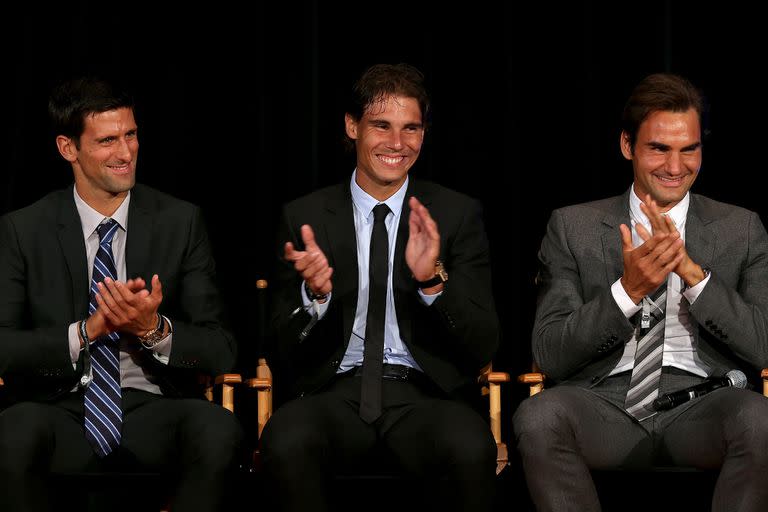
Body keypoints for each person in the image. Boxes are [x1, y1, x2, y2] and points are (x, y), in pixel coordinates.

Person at [513, 72, 768, 511]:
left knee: (761, 420)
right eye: (659, 149)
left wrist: (694, 276)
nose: (675, 167)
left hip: (704, 403)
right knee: (538, 416)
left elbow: (762, 346)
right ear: (628, 146)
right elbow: (551, 353)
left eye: (689, 149)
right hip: (603, 403)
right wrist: (627, 292)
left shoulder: (741, 229)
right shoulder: (572, 226)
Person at [260, 63, 500, 511]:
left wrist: (432, 281)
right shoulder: (305, 215)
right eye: (382, 126)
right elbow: (277, 342)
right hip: (334, 391)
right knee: (286, 440)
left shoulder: (455, 214)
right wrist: (314, 297)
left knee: (471, 447)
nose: (397, 143)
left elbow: (483, 339)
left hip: (424, 395)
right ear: (352, 127)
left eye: (411, 128)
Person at [0, 76, 244, 511]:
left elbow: (221, 347)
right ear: (67, 148)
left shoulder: (179, 222)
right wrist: (87, 331)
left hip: (152, 409)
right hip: (60, 409)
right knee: (11, 433)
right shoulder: (24, 230)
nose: (126, 153)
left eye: (131, 135)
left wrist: (154, 329)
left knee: (219, 429)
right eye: (107, 140)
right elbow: (4, 346)